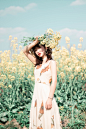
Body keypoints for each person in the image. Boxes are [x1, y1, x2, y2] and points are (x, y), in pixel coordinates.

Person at [23, 36, 62, 129]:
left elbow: (54, 81)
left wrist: (50, 98)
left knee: (48, 116)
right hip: (37, 94)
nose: (37, 51)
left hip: (46, 93)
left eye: (39, 48)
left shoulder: (52, 62)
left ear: (46, 48)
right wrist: (35, 42)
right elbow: (25, 51)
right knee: (38, 118)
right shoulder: (36, 62)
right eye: (35, 50)